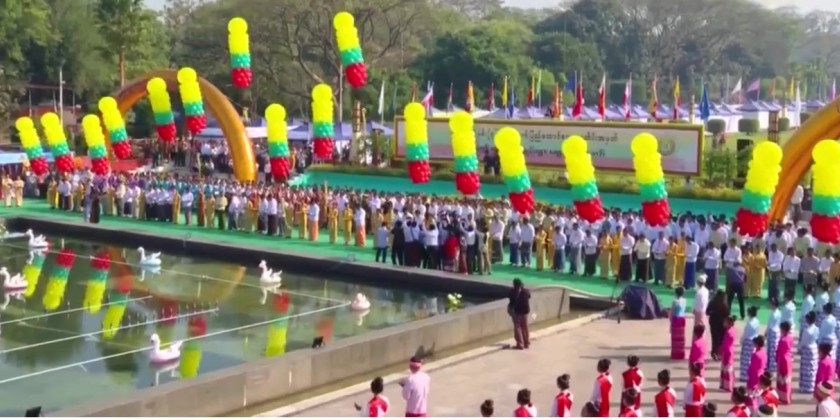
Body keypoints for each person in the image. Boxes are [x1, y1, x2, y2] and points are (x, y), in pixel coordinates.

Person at [507, 278, 531, 350]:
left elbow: (510, 299)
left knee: (518, 327)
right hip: (525, 311)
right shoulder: (526, 291)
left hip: (517, 311)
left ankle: (520, 344)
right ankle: (526, 342)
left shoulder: (512, 292)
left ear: (514, 284)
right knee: (525, 326)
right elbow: (529, 296)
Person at [740, 306, 761, 382]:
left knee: (745, 360)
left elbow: (745, 334)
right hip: (754, 341)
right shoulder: (757, 321)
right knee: (751, 359)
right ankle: (750, 375)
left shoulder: (749, 323)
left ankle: (744, 376)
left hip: (747, 341)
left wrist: (741, 340)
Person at [800, 311, 820, 393]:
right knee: (812, 368)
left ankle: (805, 387)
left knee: (806, 369)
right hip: (814, 349)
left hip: (807, 350)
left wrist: (800, 348)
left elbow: (803, 342)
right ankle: (811, 386)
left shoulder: (807, 330)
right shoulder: (817, 329)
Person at [707, 289, 729, 359]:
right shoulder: (725, 303)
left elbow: (707, 312)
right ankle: (720, 353)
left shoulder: (712, 302)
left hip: (713, 322)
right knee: (721, 339)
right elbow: (727, 314)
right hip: (722, 323)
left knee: (714, 338)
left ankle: (714, 352)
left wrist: (713, 313)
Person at [775, 321, 794, 404]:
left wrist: (776, 359)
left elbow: (779, 351)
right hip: (788, 359)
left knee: (782, 379)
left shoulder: (782, 340)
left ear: (783, 329)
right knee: (787, 379)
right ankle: (787, 397)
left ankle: (782, 397)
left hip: (783, 360)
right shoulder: (790, 337)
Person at [719, 315, 737, 392]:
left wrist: (722, 352)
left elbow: (726, 345)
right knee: (727, 368)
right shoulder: (731, 330)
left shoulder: (729, 332)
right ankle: (726, 385)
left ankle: (728, 386)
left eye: (725, 322)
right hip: (729, 351)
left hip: (727, 352)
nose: (723, 323)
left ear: (729, 323)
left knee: (727, 369)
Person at [670, 287, 687, 360]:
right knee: (681, 337)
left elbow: (672, 311)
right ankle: (681, 353)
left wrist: (670, 320)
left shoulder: (675, 301)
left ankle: (675, 353)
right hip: (682, 319)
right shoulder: (684, 300)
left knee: (675, 338)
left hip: (676, 319)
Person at [765, 298, 781, 373]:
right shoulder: (778, 312)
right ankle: (773, 366)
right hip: (777, 332)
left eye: (771, 303)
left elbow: (769, 325)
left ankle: (771, 367)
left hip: (772, 332)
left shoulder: (773, 314)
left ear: (773, 304)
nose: (770, 304)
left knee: (771, 350)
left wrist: (765, 333)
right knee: (774, 349)